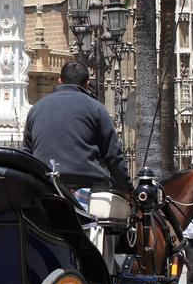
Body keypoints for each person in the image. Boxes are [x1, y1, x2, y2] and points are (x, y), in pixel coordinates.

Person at [22, 60, 131, 192]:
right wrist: (127, 189)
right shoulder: (96, 108)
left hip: (46, 187)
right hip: (88, 187)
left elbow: (26, 153)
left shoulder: (36, 108)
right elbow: (113, 156)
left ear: (60, 81)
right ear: (87, 84)